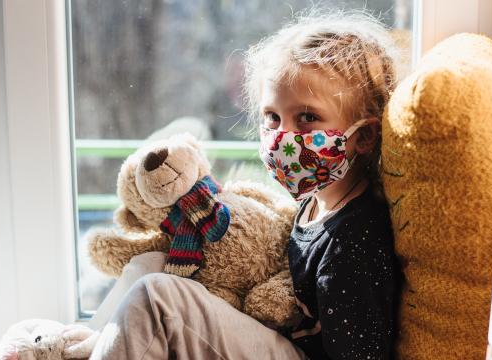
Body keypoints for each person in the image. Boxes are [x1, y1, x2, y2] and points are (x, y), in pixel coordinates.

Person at [90, 9, 402, 360]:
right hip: (274, 335)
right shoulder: (316, 203)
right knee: (150, 264)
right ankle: (85, 346)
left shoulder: (355, 239)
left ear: (363, 136)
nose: (283, 137)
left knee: (157, 297)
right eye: (273, 117)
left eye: (307, 118)